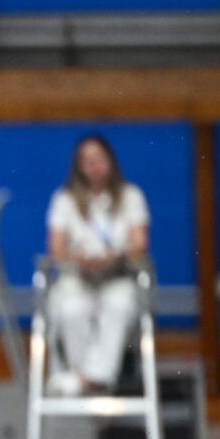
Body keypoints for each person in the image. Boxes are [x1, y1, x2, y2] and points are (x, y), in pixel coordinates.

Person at [44, 134, 150, 395]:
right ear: (79, 166)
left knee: (119, 304)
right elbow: (56, 247)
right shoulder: (64, 199)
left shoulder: (130, 196)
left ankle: (90, 380)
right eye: (87, 160)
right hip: (78, 277)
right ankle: (88, 378)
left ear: (110, 161)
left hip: (116, 275)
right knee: (71, 309)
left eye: (99, 159)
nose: (94, 166)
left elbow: (139, 243)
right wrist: (77, 259)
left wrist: (114, 256)